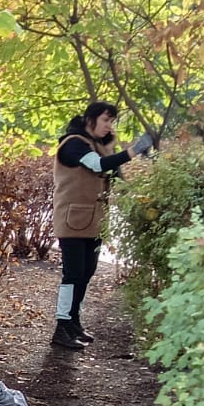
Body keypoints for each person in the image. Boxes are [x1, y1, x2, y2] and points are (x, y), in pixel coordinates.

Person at [52, 102, 153, 350]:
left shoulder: (96, 145)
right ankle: (61, 327)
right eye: (106, 120)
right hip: (72, 220)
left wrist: (111, 148)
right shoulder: (73, 143)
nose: (109, 126)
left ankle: (73, 321)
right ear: (90, 119)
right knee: (73, 275)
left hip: (93, 222)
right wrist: (133, 151)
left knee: (85, 274)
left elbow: (114, 173)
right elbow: (97, 165)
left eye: (112, 122)